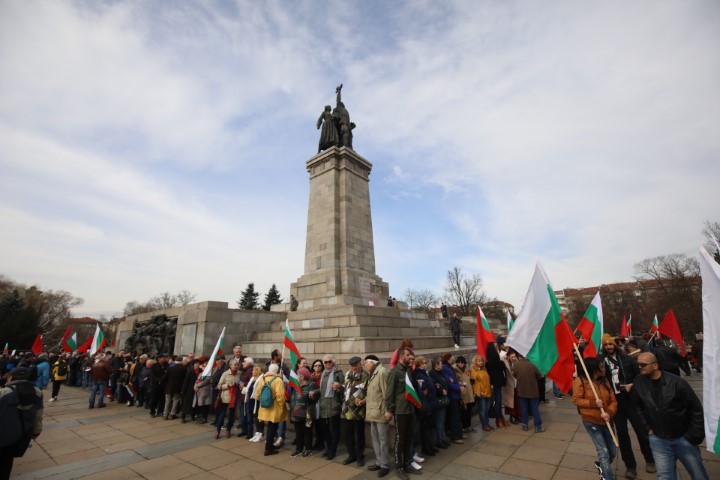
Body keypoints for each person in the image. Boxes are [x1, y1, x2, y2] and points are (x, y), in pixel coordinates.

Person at [632, 352, 708, 480]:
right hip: (658, 439)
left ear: (655, 365)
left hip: (683, 438)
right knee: (665, 476)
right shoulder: (639, 381)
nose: (640, 367)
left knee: (698, 475)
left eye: (643, 364)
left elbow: (696, 409)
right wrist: (647, 428)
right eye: (638, 364)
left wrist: (694, 436)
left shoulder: (677, 382)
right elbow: (637, 407)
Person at [599, 334, 655, 478]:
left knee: (641, 430)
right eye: (605, 345)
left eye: (610, 344)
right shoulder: (601, 361)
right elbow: (596, 379)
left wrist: (632, 385)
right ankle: (630, 466)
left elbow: (640, 376)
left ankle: (650, 459)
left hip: (630, 399)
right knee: (622, 434)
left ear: (614, 345)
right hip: (615, 402)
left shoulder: (627, 358)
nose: (608, 347)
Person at [573, 357, 618, 480]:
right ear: (593, 368)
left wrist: (609, 412)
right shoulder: (580, 381)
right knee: (603, 452)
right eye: (601, 367)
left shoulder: (604, 381)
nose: (604, 369)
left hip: (607, 421)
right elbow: (576, 399)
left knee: (612, 452)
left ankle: (602, 466)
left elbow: (613, 400)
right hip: (591, 421)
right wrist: (593, 403)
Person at [0, 367, 44, 478]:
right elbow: (38, 415)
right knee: (7, 461)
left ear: (11, 377)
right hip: (20, 434)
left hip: (2, 432)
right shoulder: (37, 392)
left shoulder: (3, 392)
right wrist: (36, 431)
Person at [385, 347, 420, 479]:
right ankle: (399, 466)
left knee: (409, 438)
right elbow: (389, 393)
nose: (410, 357)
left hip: (410, 409)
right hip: (400, 410)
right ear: (401, 357)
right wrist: (389, 410)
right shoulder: (395, 372)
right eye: (407, 355)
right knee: (400, 439)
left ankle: (407, 463)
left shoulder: (409, 370)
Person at [365, 354, 391, 477]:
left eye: (366, 363)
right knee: (375, 439)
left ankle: (385, 465)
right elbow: (373, 393)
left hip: (381, 412)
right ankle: (379, 462)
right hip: (372, 412)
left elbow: (387, 393)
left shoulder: (382, 372)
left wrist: (388, 410)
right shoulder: (372, 374)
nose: (365, 365)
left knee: (383, 440)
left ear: (373, 362)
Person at [314, 354, 344, 460]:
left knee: (334, 429)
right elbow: (322, 390)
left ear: (333, 362)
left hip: (333, 405)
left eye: (329, 362)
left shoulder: (338, 373)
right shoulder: (323, 374)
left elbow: (345, 388)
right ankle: (328, 448)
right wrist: (314, 392)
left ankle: (332, 450)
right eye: (325, 362)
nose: (327, 364)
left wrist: (339, 387)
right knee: (325, 429)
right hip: (323, 405)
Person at [341, 356, 369, 467]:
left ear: (360, 364)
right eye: (352, 366)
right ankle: (351, 455)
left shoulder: (365, 376)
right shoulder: (348, 374)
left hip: (359, 410)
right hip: (347, 410)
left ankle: (360, 456)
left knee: (359, 435)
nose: (354, 368)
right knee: (349, 434)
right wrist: (340, 386)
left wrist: (363, 400)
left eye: (356, 365)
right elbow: (346, 387)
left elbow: (368, 391)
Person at [255, 363, 288, 456]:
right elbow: (280, 396)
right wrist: (282, 406)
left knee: (270, 427)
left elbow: (257, 394)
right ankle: (268, 449)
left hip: (264, 407)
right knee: (272, 428)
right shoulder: (278, 380)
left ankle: (269, 446)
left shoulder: (263, 378)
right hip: (275, 408)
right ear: (277, 371)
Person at [289, 367, 316, 457]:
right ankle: (298, 449)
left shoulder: (310, 384)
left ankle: (308, 449)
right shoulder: (296, 385)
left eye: (298, 374)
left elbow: (314, 397)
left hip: (305, 412)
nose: (297, 376)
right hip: (296, 412)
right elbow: (292, 397)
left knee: (307, 431)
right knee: (298, 432)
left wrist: (312, 396)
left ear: (303, 376)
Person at [513, 354, 545, 432]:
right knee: (535, 409)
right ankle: (538, 426)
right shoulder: (533, 364)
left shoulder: (516, 364)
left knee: (524, 408)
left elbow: (514, 375)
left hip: (521, 390)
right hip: (532, 390)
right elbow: (540, 376)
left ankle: (525, 425)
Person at [441, 352, 465, 444]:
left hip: (455, 395)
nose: (453, 359)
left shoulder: (449, 367)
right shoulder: (446, 368)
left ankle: (457, 433)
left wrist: (459, 384)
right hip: (452, 396)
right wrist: (458, 387)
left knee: (455, 416)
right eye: (451, 358)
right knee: (454, 417)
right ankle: (455, 436)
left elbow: (453, 380)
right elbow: (449, 383)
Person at [214, 358, 241, 439]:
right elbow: (219, 386)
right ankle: (218, 431)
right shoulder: (225, 374)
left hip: (234, 398)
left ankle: (228, 431)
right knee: (222, 415)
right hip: (225, 398)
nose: (236, 366)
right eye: (235, 365)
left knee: (231, 416)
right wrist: (227, 386)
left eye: (237, 365)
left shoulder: (239, 373)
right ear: (230, 365)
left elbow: (241, 383)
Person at [429, 357, 450, 450]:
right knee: (439, 421)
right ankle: (439, 440)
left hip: (443, 400)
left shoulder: (440, 373)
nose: (442, 365)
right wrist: (441, 390)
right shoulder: (432, 374)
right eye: (440, 364)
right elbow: (435, 386)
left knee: (442, 421)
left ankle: (442, 438)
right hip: (438, 400)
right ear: (436, 365)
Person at [485, 343, 508, 428]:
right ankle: (499, 420)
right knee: (498, 401)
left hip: (495, 382)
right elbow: (501, 366)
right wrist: (502, 360)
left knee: (498, 401)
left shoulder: (489, 359)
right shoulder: (495, 358)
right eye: (495, 347)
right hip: (496, 382)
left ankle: (501, 419)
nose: (497, 348)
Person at [469, 355, 493, 431]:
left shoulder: (484, 369)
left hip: (488, 392)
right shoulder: (473, 370)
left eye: (481, 361)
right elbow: (474, 383)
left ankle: (487, 423)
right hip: (481, 394)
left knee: (486, 409)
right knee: (482, 410)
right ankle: (484, 424)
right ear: (475, 362)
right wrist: (478, 392)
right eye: (479, 361)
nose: (481, 362)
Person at [453, 356, 475, 432]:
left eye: (462, 362)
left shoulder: (466, 370)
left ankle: (468, 426)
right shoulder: (455, 371)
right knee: (463, 412)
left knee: (469, 411)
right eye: (458, 362)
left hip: (469, 393)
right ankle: (463, 426)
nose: (460, 363)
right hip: (462, 394)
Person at [162, 356, 187, 420]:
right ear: (181, 361)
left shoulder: (170, 368)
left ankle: (165, 414)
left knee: (167, 401)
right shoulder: (184, 369)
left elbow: (165, 377)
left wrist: (161, 382)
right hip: (178, 387)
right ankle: (172, 414)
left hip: (169, 387)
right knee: (175, 401)